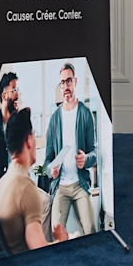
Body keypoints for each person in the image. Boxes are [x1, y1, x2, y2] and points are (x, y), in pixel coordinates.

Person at [0, 108, 68, 255]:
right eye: (33, 135)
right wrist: (61, 241)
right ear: (28, 141)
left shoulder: (2, 183)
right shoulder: (25, 186)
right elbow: (40, 253)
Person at [45, 62, 97, 236]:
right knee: (56, 232)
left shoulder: (85, 114)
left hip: (80, 185)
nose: (66, 86)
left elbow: (94, 152)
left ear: (75, 82)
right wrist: (50, 170)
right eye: (62, 82)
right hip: (61, 186)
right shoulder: (54, 120)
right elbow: (47, 160)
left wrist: (86, 159)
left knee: (91, 228)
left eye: (68, 81)